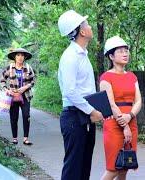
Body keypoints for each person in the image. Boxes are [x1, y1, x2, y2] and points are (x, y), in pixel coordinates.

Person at [57, 10, 104, 180]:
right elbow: (70, 91)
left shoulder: (83, 54)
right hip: (74, 116)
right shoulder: (70, 56)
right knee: (73, 167)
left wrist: (93, 111)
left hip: (84, 116)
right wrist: (92, 111)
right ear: (82, 31)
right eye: (87, 24)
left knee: (84, 166)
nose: (90, 26)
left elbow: (86, 89)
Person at [100, 36, 142, 180]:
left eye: (126, 51)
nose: (125, 54)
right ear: (111, 56)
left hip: (131, 121)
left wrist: (129, 116)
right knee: (113, 168)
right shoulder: (106, 77)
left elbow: (138, 101)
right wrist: (125, 126)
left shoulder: (132, 76)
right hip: (114, 124)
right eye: (121, 51)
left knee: (125, 166)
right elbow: (111, 104)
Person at [0, 48, 35, 145]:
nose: (20, 57)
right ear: (14, 57)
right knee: (13, 117)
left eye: (22, 55)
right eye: (18, 55)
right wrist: (6, 90)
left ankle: (25, 138)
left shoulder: (28, 68)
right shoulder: (10, 68)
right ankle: (14, 138)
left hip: (25, 96)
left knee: (26, 116)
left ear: (24, 57)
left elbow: (33, 81)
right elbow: (2, 79)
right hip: (13, 96)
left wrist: (25, 88)